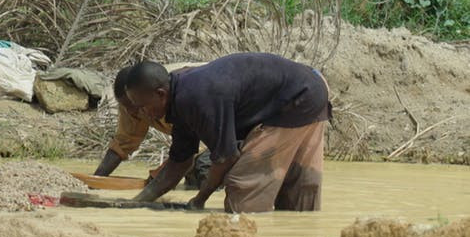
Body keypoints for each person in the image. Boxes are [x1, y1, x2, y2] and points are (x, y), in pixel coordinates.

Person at [121, 53, 331, 213]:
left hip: (295, 100)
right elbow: (180, 163)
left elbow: (226, 157)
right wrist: (139, 202)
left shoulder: (194, 97)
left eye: (142, 106)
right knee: (297, 198)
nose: (141, 113)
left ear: (160, 94)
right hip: (311, 90)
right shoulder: (180, 96)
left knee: (242, 195)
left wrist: (199, 200)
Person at [94, 63, 211, 189]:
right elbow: (124, 142)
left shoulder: (181, 96)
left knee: (204, 168)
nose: (131, 112)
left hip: (220, 132)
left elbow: (196, 143)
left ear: (159, 95)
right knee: (191, 182)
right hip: (198, 141)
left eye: (135, 106)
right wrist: (95, 181)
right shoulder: (132, 103)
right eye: (125, 107)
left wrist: (157, 178)